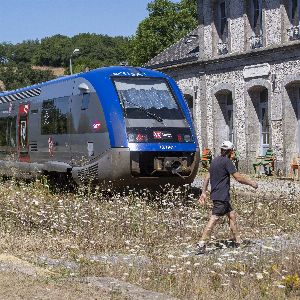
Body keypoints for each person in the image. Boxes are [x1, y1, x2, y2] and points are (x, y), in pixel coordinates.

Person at [196, 140, 258, 254]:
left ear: (221, 150)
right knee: (214, 218)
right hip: (221, 196)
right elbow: (238, 178)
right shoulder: (227, 162)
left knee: (232, 215)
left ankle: (238, 241)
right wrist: (251, 183)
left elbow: (206, 177)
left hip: (218, 195)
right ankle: (201, 243)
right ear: (230, 151)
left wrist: (204, 192)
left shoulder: (214, 161)